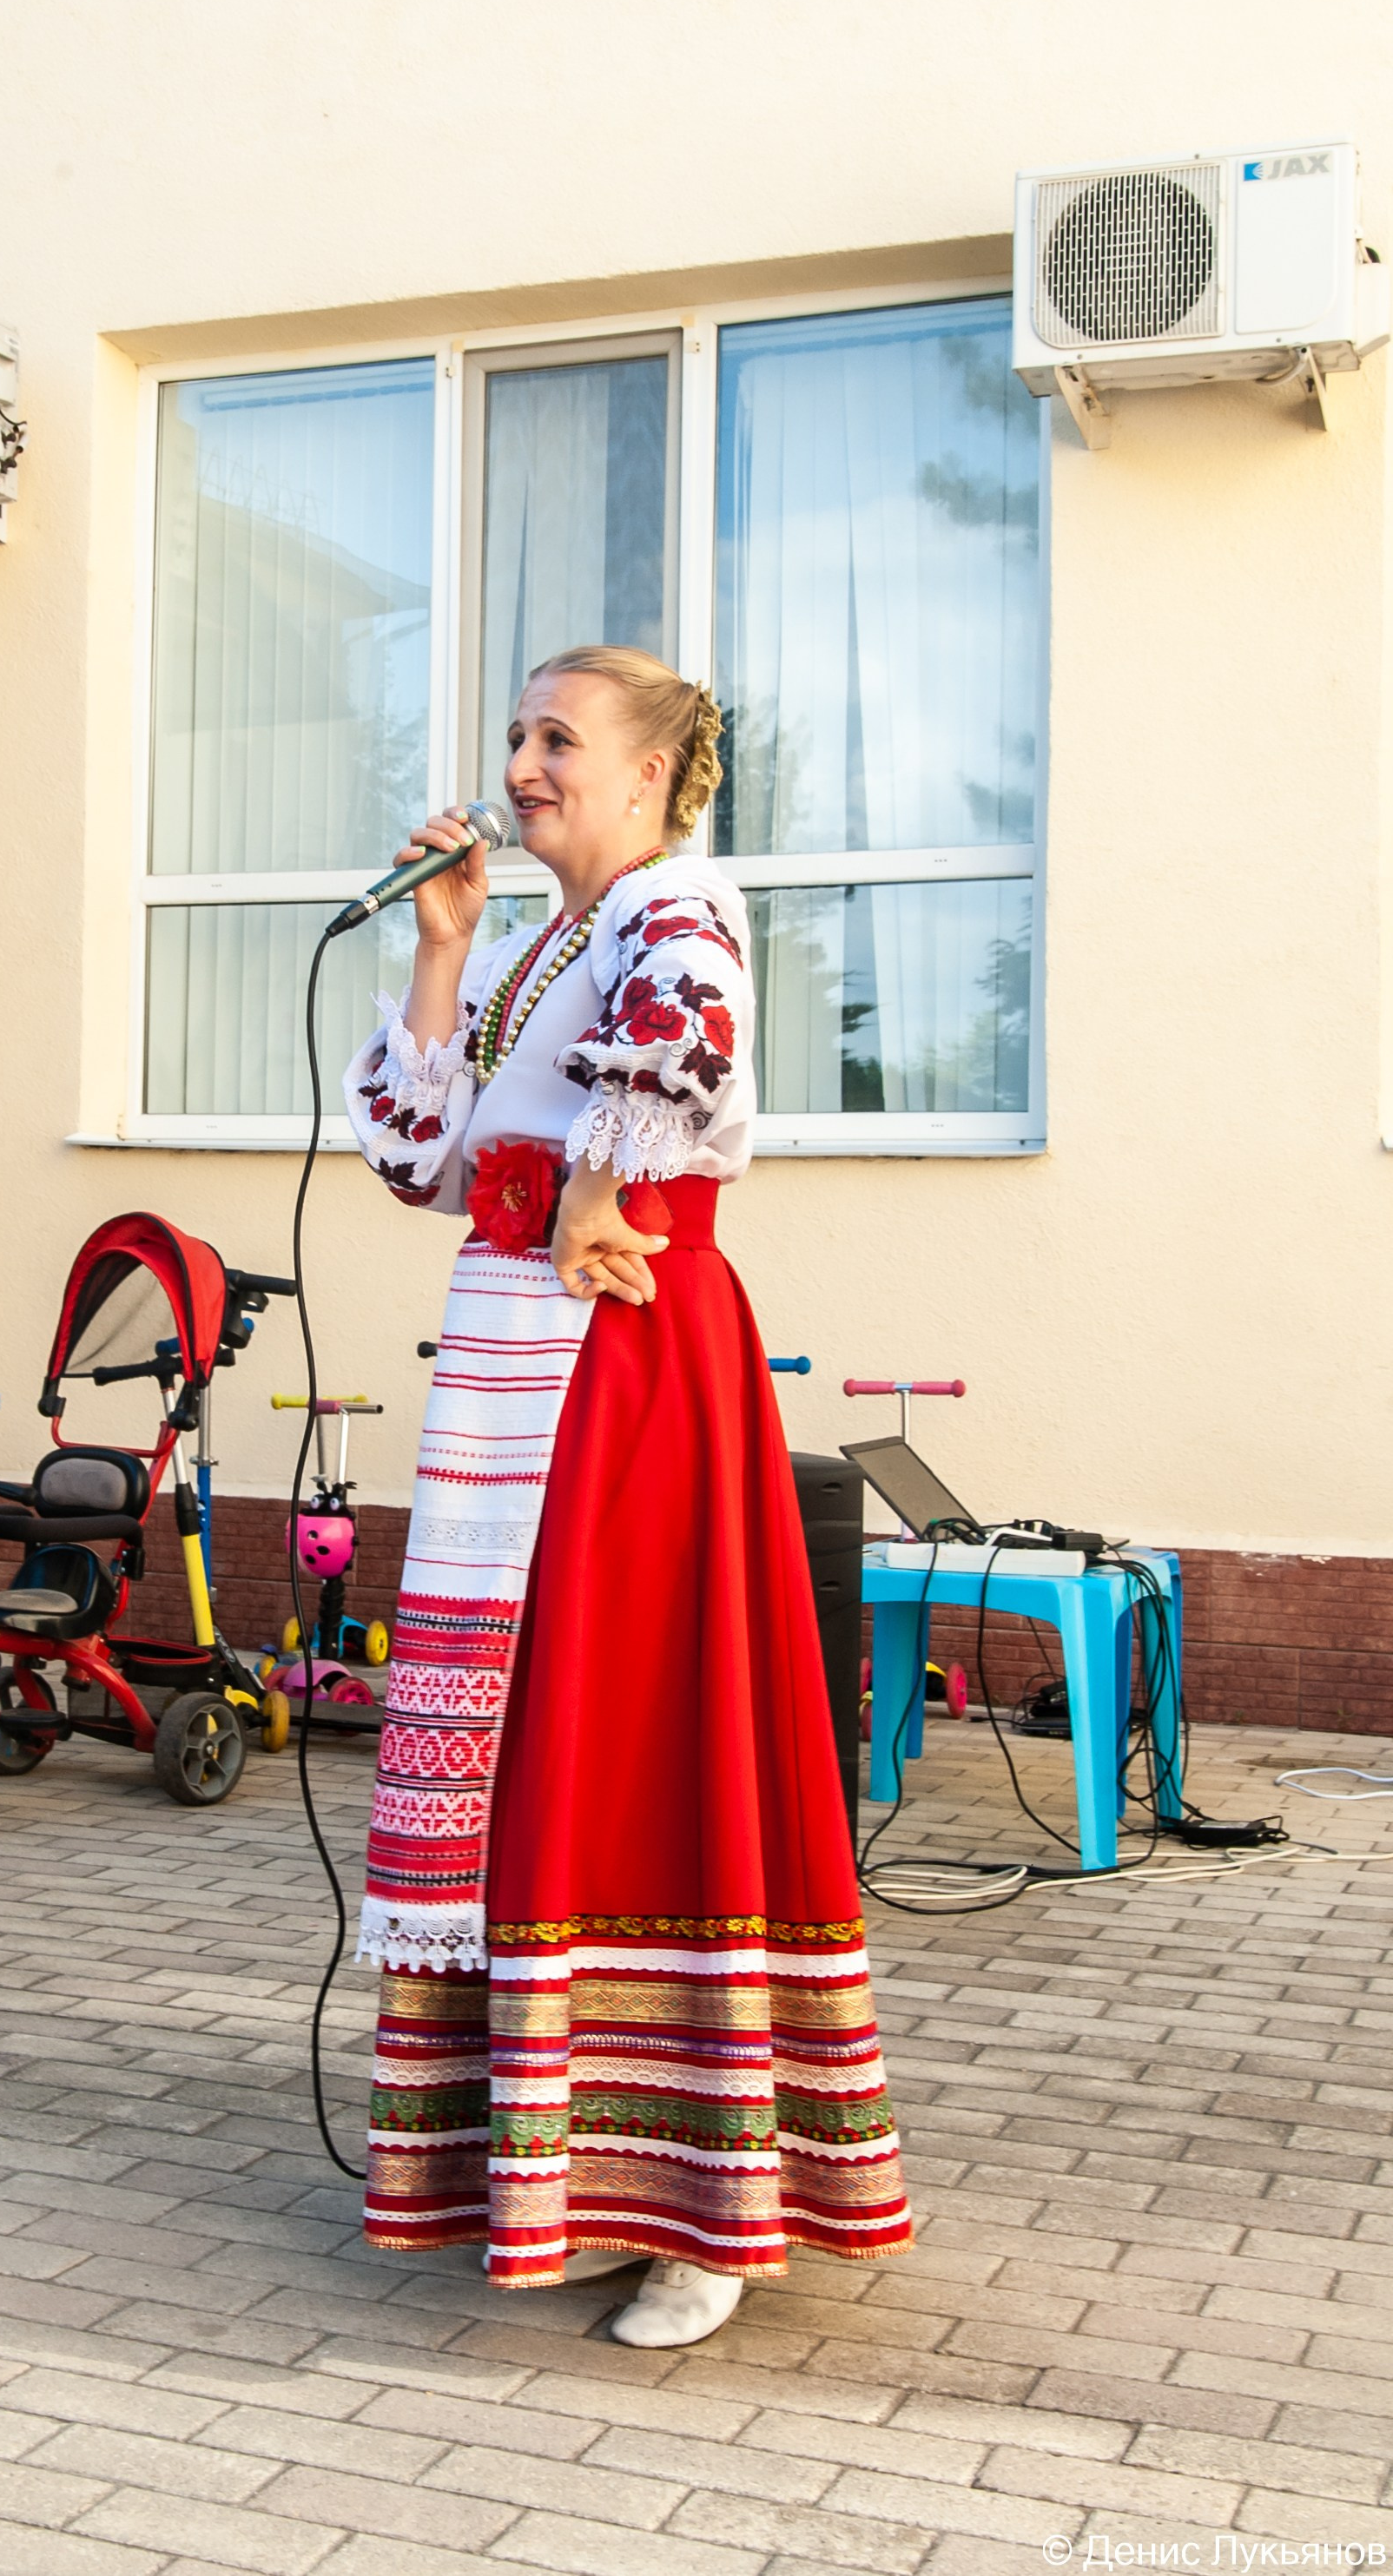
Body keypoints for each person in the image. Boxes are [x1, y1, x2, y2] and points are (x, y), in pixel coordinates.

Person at [342, 643, 911, 2349]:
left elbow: (686, 1053)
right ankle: (582, 2169)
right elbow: (419, 1161)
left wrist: (595, 1181)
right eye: (513, 734)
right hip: (517, 1387)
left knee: (639, 1732)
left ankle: (706, 2213)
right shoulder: (533, 948)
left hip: (624, 1369)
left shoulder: (684, 907)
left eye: (556, 739)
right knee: (538, 1750)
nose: (521, 766)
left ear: (653, 773)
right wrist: (441, 950)